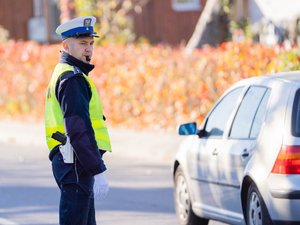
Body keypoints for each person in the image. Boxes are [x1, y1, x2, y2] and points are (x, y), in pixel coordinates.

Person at [44, 16, 112, 225]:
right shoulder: (72, 78)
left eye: (91, 43)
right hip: (74, 162)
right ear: (66, 45)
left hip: (72, 162)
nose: (89, 49)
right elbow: (78, 130)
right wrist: (97, 169)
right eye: (82, 44)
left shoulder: (67, 73)